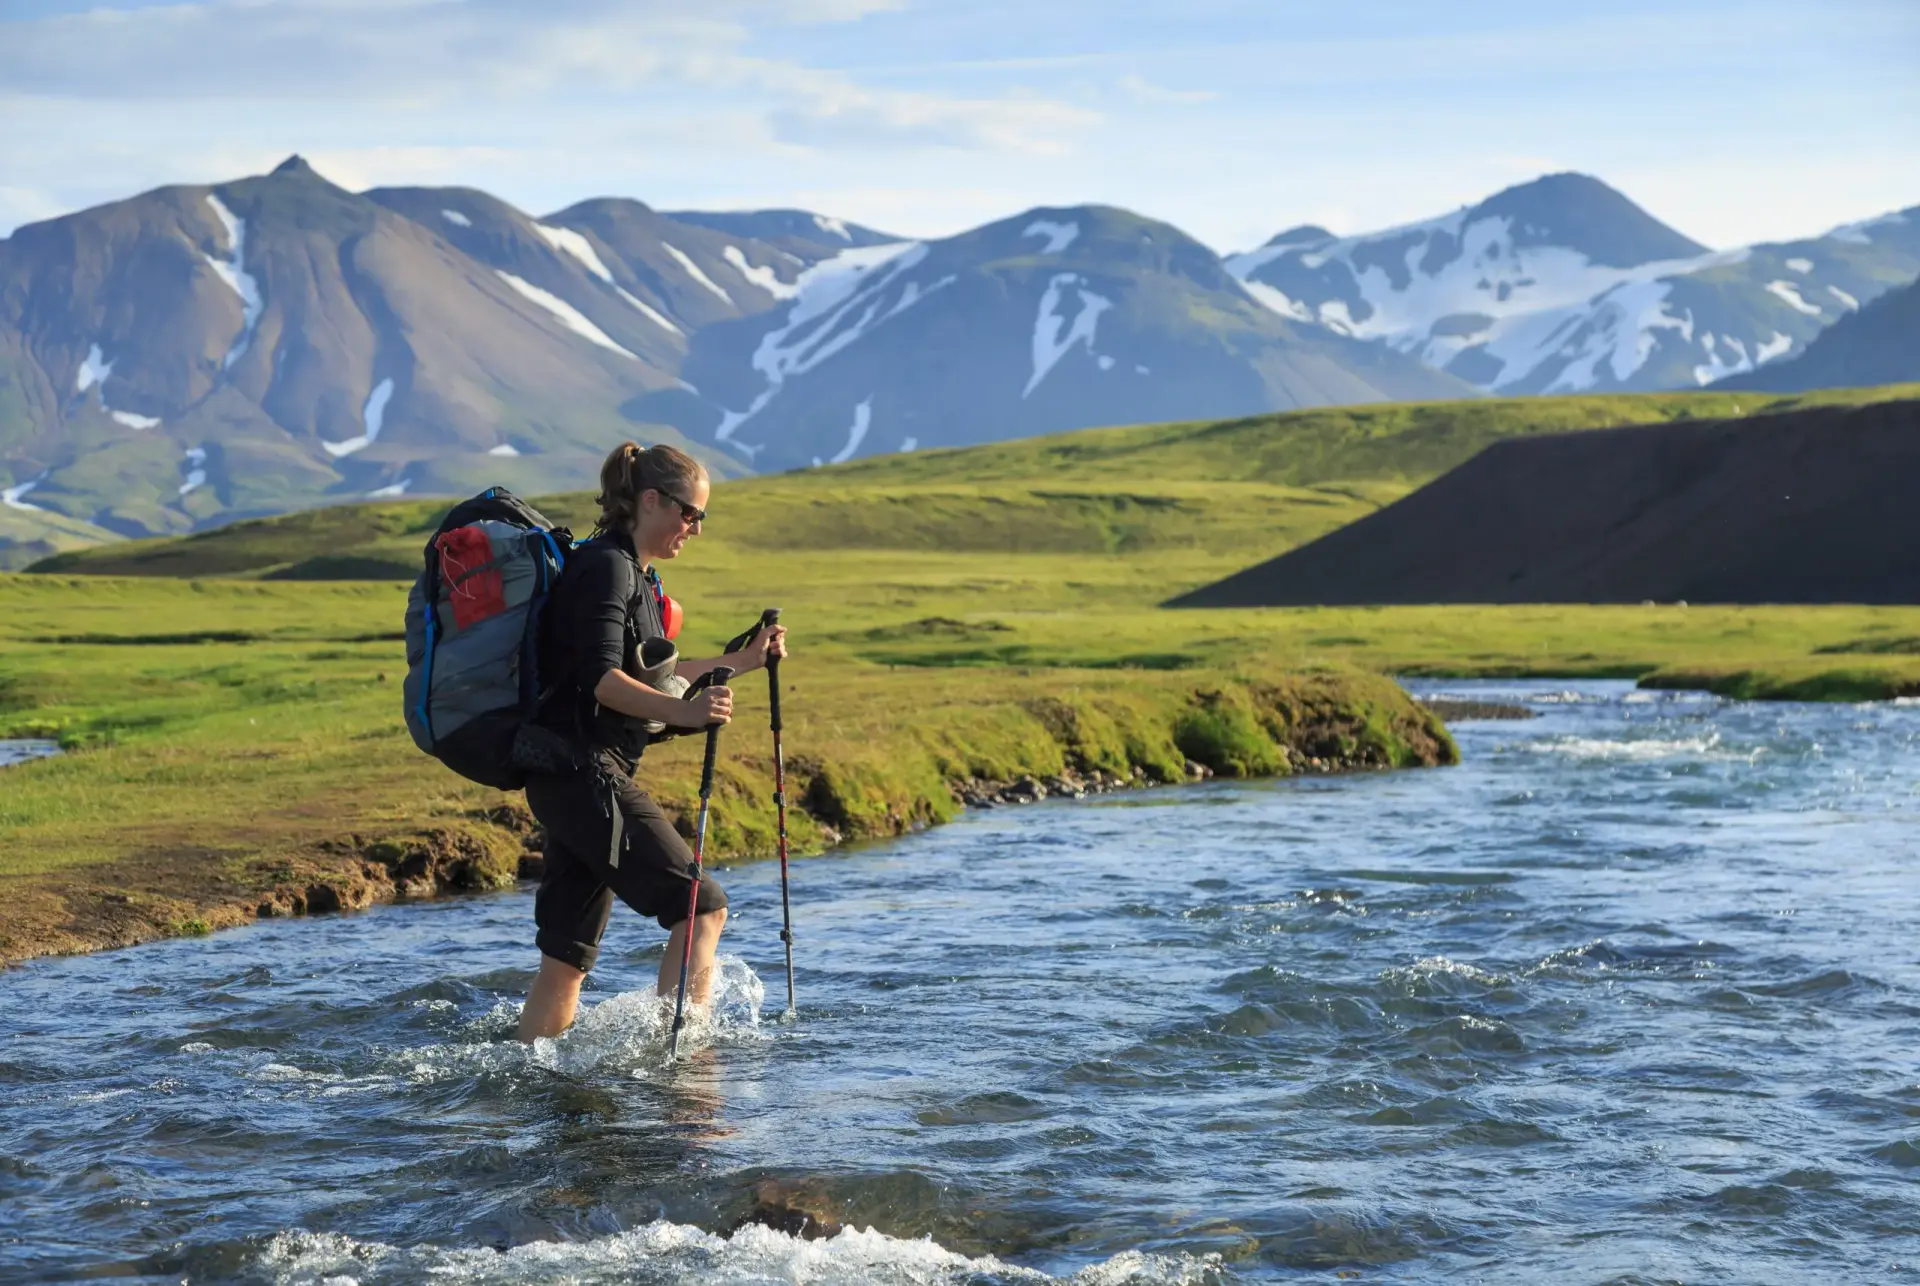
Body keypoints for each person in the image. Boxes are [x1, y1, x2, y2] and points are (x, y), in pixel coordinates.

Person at [515, 441, 786, 1043]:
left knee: (566, 959)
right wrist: (683, 715)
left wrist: (742, 660)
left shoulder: (631, 573)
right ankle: (685, 1073)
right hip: (586, 774)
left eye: (701, 517)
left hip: (571, 777)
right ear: (650, 499)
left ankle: (528, 1078)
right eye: (690, 513)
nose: (695, 528)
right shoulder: (607, 568)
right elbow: (603, 681)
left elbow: (653, 676)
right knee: (701, 906)